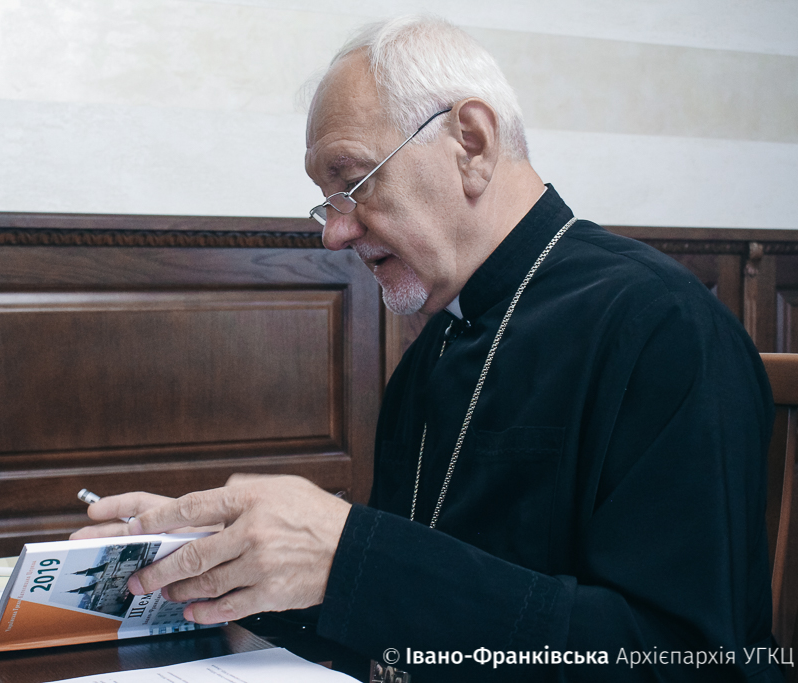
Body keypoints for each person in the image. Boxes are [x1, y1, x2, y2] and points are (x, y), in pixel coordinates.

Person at [73, 16, 782, 681]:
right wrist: (216, 564)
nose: (335, 234)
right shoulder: (430, 352)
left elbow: (687, 659)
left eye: (353, 182)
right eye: (327, 201)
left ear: (471, 142)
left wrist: (349, 557)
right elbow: (406, 618)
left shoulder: (663, 326)